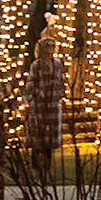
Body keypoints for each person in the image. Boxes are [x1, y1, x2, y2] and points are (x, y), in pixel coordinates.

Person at [24, 35, 64, 172]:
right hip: (40, 102)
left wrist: (60, 93)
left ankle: (47, 163)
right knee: (38, 132)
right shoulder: (37, 64)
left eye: (53, 46)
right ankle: (35, 162)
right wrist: (29, 98)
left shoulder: (57, 64)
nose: (50, 49)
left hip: (53, 102)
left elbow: (60, 80)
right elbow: (31, 81)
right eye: (48, 46)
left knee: (50, 135)